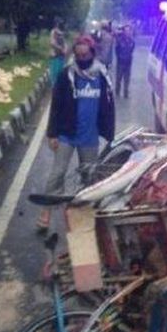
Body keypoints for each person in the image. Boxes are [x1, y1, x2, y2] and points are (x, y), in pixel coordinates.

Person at [38, 36, 115, 231]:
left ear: (92, 53)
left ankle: (83, 215)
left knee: (89, 178)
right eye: (78, 55)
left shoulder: (102, 75)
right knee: (57, 174)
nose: (82, 58)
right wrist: (52, 133)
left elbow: (108, 105)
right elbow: (56, 105)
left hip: (89, 137)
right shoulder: (67, 75)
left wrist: (109, 133)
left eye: (85, 54)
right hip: (66, 133)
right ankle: (46, 211)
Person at [114, 25, 135, 99]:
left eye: (129, 31)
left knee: (127, 79)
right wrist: (119, 57)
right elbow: (117, 50)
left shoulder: (132, 41)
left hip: (128, 62)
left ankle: (126, 93)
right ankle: (117, 92)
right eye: (126, 31)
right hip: (121, 62)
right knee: (119, 78)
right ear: (124, 32)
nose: (128, 32)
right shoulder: (119, 40)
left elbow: (132, 50)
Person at [49, 19, 67, 86]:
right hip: (55, 55)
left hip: (61, 55)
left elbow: (64, 43)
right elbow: (52, 43)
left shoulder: (61, 32)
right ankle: (54, 86)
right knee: (54, 72)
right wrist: (60, 48)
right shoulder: (53, 32)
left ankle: (58, 85)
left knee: (60, 71)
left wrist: (64, 49)